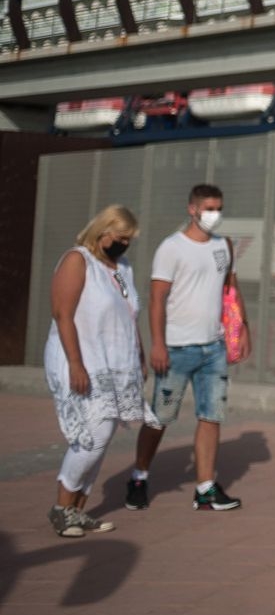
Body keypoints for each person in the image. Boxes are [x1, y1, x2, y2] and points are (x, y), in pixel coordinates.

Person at [127, 183, 247, 512]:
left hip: (214, 347)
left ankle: (205, 489)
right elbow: (156, 299)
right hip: (177, 349)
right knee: (159, 418)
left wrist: (241, 328)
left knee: (211, 416)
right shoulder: (171, 248)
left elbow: (230, 289)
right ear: (192, 209)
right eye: (208, 208)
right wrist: (158, 345)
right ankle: (139, 475)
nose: (214, 214)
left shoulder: (224, 245)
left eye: (218, 207)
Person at [44, 206, 146, 537]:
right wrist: (75, 362)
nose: (124, 245)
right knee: (94, 434)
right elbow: (63, 314)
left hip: (115, 362)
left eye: (129, 240)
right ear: (103, 232)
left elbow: (130, 316)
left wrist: (139, 357)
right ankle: (62, 507)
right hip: (81, 358)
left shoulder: (121, 268)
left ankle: (78, 511)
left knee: (105, 436)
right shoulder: (78, 260)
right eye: (121, 238)